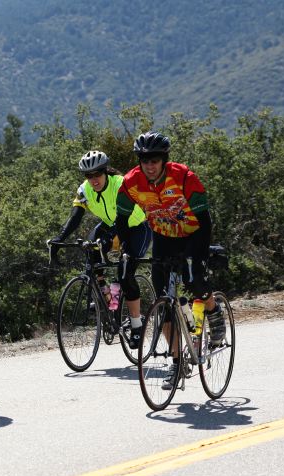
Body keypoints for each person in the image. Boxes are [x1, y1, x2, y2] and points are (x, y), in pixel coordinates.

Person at [113, 131, 227, 389]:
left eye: (155, 160)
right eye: (145, 160)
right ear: (139, 161)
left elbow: (205, 219)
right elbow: (122, 218)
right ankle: (176, 364)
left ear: (164, 160)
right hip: (163, 236)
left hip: (193, 234)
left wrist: (196, 256)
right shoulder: (131, 182)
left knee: (193, 278)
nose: (150, 165)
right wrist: (128, 251)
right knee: (163, 302)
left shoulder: (184, 177)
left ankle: (213, 311)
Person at [50, 151, 152, 348]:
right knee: (91, 248)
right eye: (88, 176)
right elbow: (75, 215)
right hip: (109, 223)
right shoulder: (85, 189)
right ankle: (106, 295)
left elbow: (123, 218)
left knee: (126, 273)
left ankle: (137, 325)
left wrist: (112, 239)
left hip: (138, 227)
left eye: (97, 174)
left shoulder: (120, 184)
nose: (93, 180)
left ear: (105, 171)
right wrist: (59, 239)